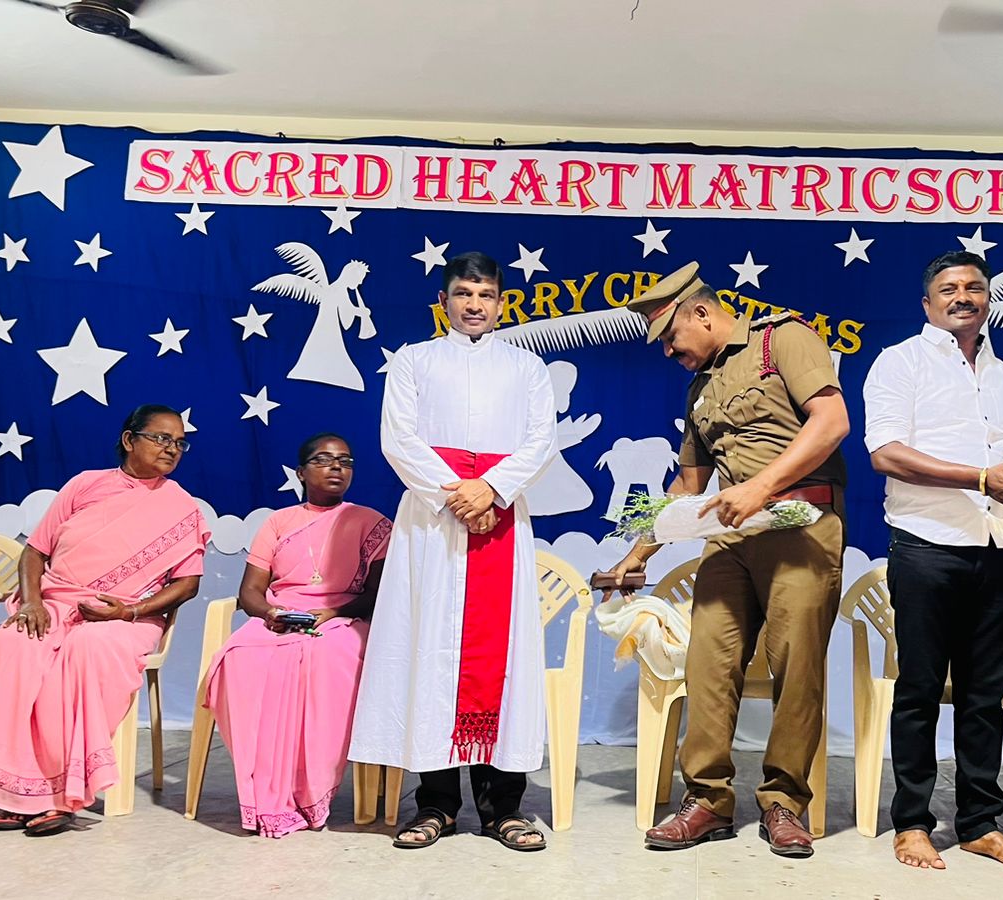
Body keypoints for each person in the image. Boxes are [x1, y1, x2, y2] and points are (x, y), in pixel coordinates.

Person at [606, 261, 849, 859]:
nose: (668, 352)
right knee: (708, 662)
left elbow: (832, 422)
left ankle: (784, 802)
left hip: (801, 528)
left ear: (701, 312)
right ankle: (707, 800)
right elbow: (688, 490)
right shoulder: (699, 391)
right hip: (731, 539)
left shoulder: (780, 340)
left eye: (670, 337)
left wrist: (760, 487)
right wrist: (635, 555)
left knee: (796, 665)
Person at [349, 252, 557, 852]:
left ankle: (502, 809)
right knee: (430, 650)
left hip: (500, 518)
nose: (474, 305)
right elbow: (399, 438)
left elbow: (540, 441)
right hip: (434, 521)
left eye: (486, 295)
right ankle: (435, 804)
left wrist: (490, 489)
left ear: (501, 303)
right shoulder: (413, 360)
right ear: (444, 301)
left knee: (501, 657)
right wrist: (458, 496)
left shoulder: (527, 367)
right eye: (464, 293)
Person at [863, 251, 1003, 872]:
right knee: (918, 690)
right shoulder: (900, 361)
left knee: (983, 697)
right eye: (948, 288)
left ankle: (979, 824)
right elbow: (886, 454)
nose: (962, 296)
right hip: (926, 546)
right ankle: (912, 824)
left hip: (997, 549)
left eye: (974, 287)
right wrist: (982, 478)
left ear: (988, 299)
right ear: (928, 303)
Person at [0, 404, 208, 836]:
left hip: (126, 616)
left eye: (180, 443)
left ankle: (60, 795)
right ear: (129, 440)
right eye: (161, 438)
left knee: (86, 650)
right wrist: (31, 603)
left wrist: (128, 611)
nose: (172, 449)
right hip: (54, 603)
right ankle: (12, 790)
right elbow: (35, 552)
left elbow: (188, 584)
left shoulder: (182, 507)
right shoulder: (86, 485)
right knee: (14, 648)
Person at [203, 433, 391, 838]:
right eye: (323, 460)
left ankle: (311, 792)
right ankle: (265, 792)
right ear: (301, 472)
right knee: (240, 657)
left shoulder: (371, 522)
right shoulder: (278, 521)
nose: (337, 467)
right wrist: (272, 614)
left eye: (345, 461)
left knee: (324, 658)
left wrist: (333, 612)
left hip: (343, 619)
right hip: (279, 619)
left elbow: (379, 593)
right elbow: (250, 592)